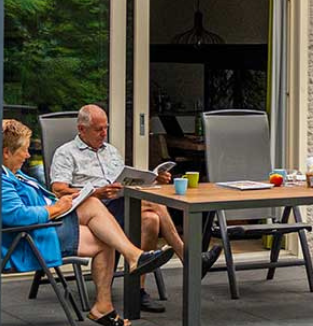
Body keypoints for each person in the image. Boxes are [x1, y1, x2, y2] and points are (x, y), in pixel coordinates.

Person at [0, 119, 173, 326]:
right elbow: (18, 216)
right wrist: (56, 208)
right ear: (6, 152)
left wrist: (63, 205)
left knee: (98, 210)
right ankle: (120, 280)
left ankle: (123, 274)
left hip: (48, 223)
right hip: (33, 236)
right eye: (24, 151)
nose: (28, 156)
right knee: (102, 232)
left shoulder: (10, 173)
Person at [49, 104, 217, 312]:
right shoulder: (66, 153)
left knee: (151, 219)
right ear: (81, 129)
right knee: (153, 202)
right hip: (91, 211)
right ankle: (189, 258)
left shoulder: (110, 151)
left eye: (106, 128)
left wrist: (152, 178)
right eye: (98, 129)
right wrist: (96, 192)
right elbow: (58, 190)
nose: (104, 133)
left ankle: (137, 292)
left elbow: (124, 180)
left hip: (118, 204)